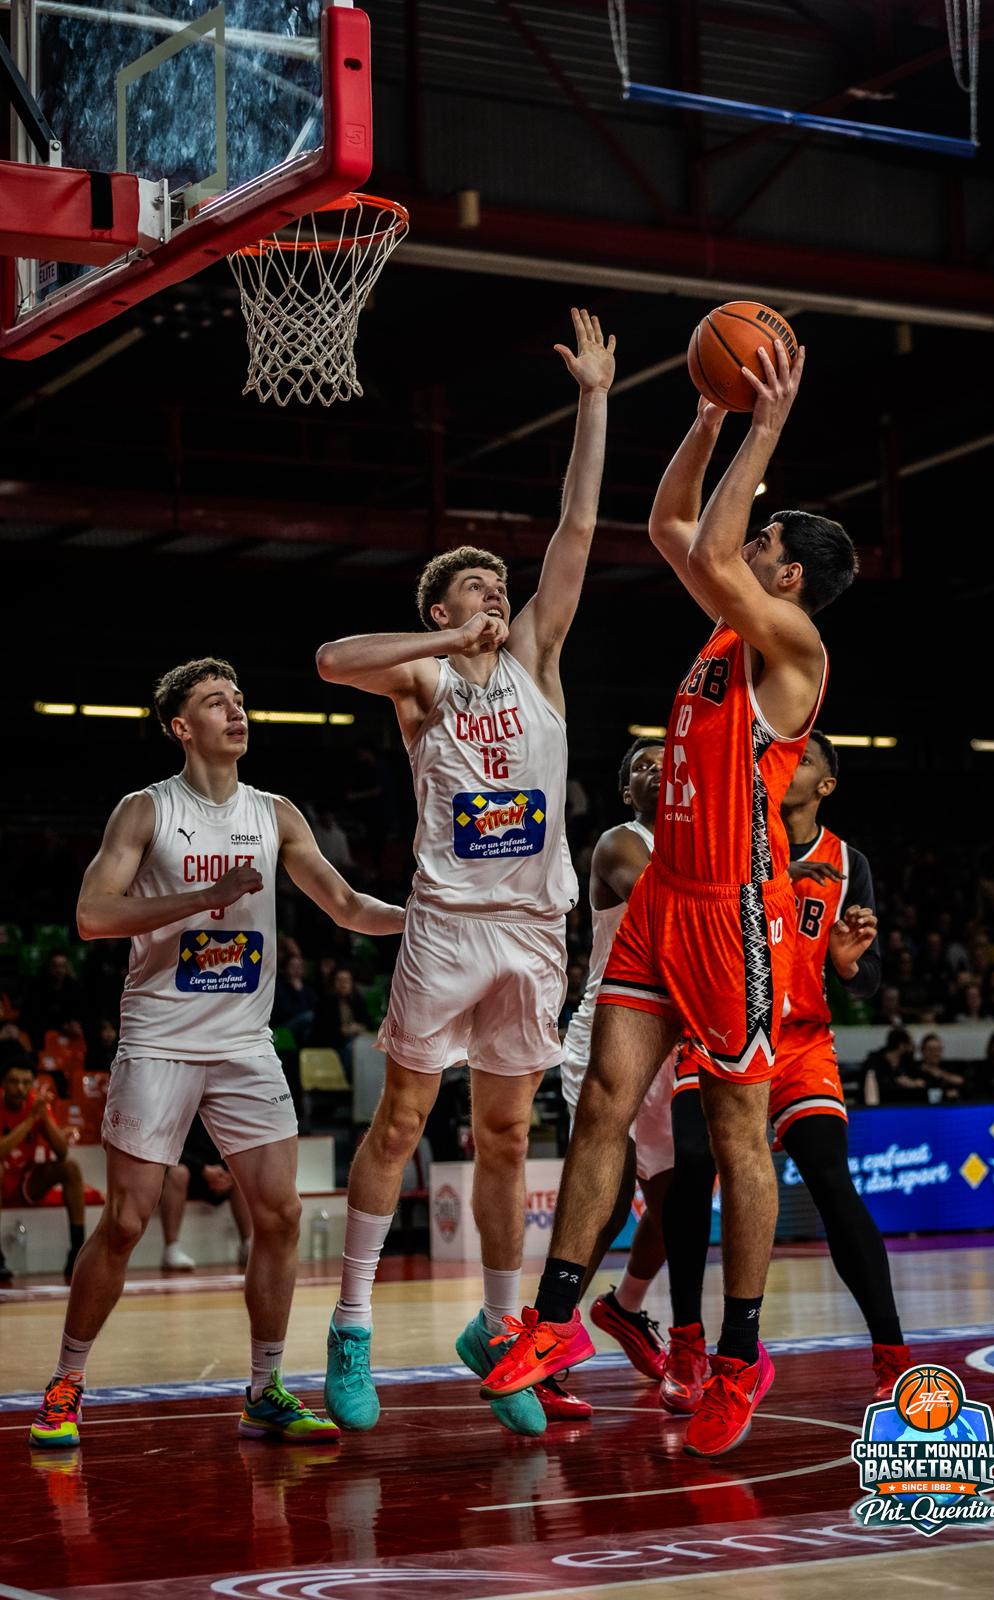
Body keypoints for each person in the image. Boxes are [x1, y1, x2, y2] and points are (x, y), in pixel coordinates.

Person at [482, 341, 859, 1458]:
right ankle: (555, 1321)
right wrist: (706, 415)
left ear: (786, 572)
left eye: (766, 538)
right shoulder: (722, 625)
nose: (748, 539)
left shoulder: (790, 643)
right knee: (602, 1103)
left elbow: (707, 547)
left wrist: (764, 423)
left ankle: (739, 1351)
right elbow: (666, 531)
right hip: (659, 900)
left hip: (730, 910)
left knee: (739, 1136)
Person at [315, 308, 616, 1440]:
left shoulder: (538, 654)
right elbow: (329, 659)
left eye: (501, 583)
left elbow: (579, 522)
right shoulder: (424, 681)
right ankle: (349, 1324)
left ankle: (499, 1333)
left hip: (535, 930)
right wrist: (444, 646)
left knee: (504, 1137)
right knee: (398, 1122)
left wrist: (591, 397)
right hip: (447, 921)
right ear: (440, 611)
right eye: (477, 588)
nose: (498, 593)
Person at [28, 657, 405, 1451]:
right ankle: (66, 1381)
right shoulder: (146, 811)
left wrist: (425, 917)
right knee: (127, 1220)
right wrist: (202, 897)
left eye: (239, 697)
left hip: (243, 1043)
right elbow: (93, 915)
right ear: (181, 727)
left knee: (281, 1213)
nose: (235, 710)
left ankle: (265, 1390)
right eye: (215, 702)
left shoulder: (275, 813)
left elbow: (343, 904)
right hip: (160, 1037)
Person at [664, 731, 911, 1411]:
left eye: (802, 760)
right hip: (720, 1027)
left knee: (832, 1178)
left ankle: (891, 1352)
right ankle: (687, 1339)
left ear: (826, 785)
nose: (785, 766)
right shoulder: (738, 837)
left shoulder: (847, 862)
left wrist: (848, 958)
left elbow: (864, 984)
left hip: (800, 1044)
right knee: (691, 1165)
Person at [560, 737, 673, 1401]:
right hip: (610, 1031)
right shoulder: (621, 843)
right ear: (627, 792)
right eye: (641, 766)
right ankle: (552, 1337)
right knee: (601, 1207)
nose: (656, 769)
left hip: (677, 1038)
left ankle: (626, 1308)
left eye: (668, 761)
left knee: (676, 1206)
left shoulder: (706, 846)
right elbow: (662, 905)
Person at [0, 1055, 85, 1282]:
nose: (21, 1088)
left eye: (26, 1083)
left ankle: (77, 1250)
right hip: (2, 1177)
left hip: (24, 1181)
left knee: (70, 1168)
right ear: (3, 1084)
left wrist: (44, 1118)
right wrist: (29, 1121)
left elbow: (62, 1152)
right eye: (14, 1082)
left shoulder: (35, 1105)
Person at [158, 1114, 253, 1271]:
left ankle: (247, 1244)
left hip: (217, 1171)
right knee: (178, 1173)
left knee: (240, 1172)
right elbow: (168, 1146)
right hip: (188, 1170)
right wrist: (202, 1169)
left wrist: (226, 1171)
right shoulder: (179, 1106)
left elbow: (237, 1141)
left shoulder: (222, 1104)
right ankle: (171, 1248)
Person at [866, 1027, 925, 1104]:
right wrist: (896, 1081)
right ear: (901, 1045)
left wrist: (913, 1082)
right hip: (881, 1103)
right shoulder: (875, 1059)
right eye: (910, 1042)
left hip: (904, 1103)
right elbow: (872, 1081)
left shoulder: (907, 1060)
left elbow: (920, 1079)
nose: (912, 1045)